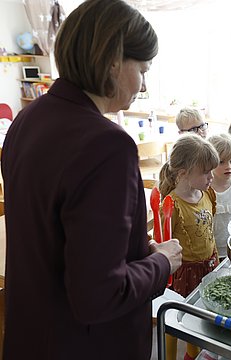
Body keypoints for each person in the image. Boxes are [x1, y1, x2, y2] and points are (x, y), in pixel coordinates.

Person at [0, 1, 183, 359]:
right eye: (142, 70)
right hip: (84, 343)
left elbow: (53, 232)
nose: (143, 84)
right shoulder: (107, 144)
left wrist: (128, 247)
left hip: (31, 331)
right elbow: (99, 295)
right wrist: (162, 261)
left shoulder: (27, 119)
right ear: (114, 61)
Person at [158, 133, 219, 360]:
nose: (211, 176)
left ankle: (193, 354)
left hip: (208, 266)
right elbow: (164, 243)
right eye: (205, 172)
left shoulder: (207, 193)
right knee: (177, 317)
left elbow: (208, 228)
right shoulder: (171, 205)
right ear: (183, 174)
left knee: (200, 317)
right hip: (183, 273)